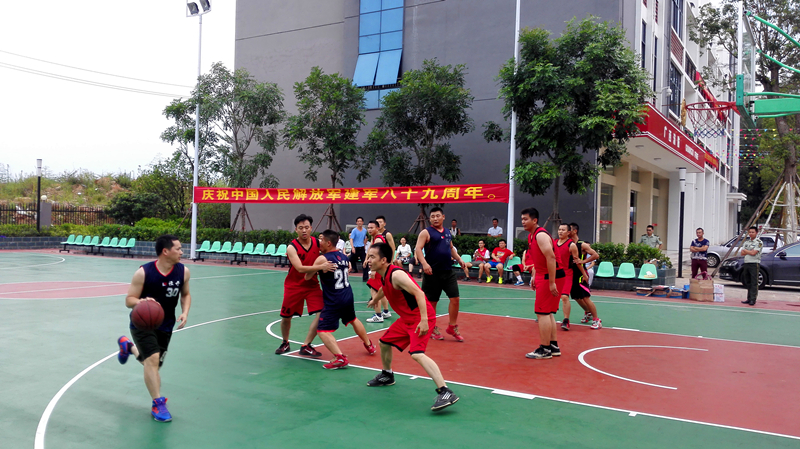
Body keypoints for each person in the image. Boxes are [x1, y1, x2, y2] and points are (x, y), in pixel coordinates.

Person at [365, 242, 460, 411]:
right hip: (406, 319)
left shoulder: (397, 275)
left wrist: (424, 320)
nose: (368, 260)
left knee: (417, 354)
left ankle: (445, 391)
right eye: (368, 256)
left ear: (383, 260)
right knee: (384, 343)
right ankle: (387, 375)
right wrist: (375, 300)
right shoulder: (383, 274)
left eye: (372, 257)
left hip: (420, 317)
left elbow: (419, 293)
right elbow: (384, 288)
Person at [116, 234, 192, 422]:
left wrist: (185, 312)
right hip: (142, 323)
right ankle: (158, 403)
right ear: (165, 251)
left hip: (165, 324)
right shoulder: (143, 272)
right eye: (178, 249)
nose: (182, 252)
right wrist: (141, 302)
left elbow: (185, 294)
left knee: (153, 365)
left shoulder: (183, 272)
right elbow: (129, 300)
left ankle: (128, 347)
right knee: (152, 359)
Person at [304, 230, 377, 369]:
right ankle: (369, 345)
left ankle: (339, 357)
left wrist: (317, 267)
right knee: (353, 319)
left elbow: (307, 276)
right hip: (347, 294)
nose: (319, 243)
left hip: (334, 298)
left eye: (321, 240)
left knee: (322, 330)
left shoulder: (322, 259)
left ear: (328, 243)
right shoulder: (344, 256)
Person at [274, 214, 329, 357]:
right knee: (286, 317)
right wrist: (320, 267)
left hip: (312, 285)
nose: (304, 230)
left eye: (306, 227)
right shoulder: (292, 247)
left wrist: (344, 261)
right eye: (300, 228)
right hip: (294, 286)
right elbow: (299, 268)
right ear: (296, 230)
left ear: (311, 228)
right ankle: (285, 342)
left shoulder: (318, 243)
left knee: (322, 313)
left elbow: (332, 252)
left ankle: (306, 345)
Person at [415, 207, 467, 342]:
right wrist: (425, 264)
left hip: (448, 272)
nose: (435, 219)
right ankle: (432, 327)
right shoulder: (426, 232)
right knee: (432, 302)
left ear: (443, 217)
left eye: (438, 216)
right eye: (432, 216)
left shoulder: (448, 232)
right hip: (432, 272)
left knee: (455, 299)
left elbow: (451, 248)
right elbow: (418, 249)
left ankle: (452, 327)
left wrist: (459, 259)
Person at [521, 207, 564, 360]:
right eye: (522, 219)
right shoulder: (531, 236)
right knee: (548, 312)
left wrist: (551, 282)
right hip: (544, 275)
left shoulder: (541, 235)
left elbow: (551, 258)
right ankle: (553, 346)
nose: (523, 222)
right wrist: (535, 275)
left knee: (542, 313)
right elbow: (538, 259)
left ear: (535, 220)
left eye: (526, 219)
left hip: (550, 276)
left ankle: (545, 349)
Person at [569, 223, 602, 329]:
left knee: (585, 297)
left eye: (569, 229)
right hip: (571, 274)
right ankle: (588, 312)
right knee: (576, 297)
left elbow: (595, 255)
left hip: (581, 274)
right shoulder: (568, 244)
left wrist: (583, 261)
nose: (567, 231)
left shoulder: (581, 244)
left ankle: (596, 319)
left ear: (575, 231)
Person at [554, 224, 580, 330]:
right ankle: (546, 314)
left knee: (564, 297)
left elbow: (577, 261)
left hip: (567, 274)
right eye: (559, 229)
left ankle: (566, 320)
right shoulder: (553, 243)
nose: (560, 231)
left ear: (568, 232)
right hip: (555, 272)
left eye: (563, 230)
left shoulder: (571, 245)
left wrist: (584, 274)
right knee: (550, 295)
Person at [366, 220, 391, 323]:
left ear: (377, 228)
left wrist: (373, 270)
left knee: (374, 290)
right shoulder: (376, 238)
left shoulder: (378, 240)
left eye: (372, 228)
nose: (369, 229)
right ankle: (386, 311)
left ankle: (378, 315)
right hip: (379, 268)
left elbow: (377, 257)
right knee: (381, 290)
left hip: (377, 269)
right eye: (368, 228)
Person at [741, 226, 763, 306]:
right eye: (749, 232)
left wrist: (746, 251)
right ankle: (749, 298)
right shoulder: (747, 242)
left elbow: (754, 253)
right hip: (746, 262)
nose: (751, 233)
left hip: (754, 263)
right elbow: (742, 253)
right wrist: (749, 251)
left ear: (756, 233)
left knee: (754, 282)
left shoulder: (758, 242)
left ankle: (753, 299)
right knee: (747, 281)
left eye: (752, 232)